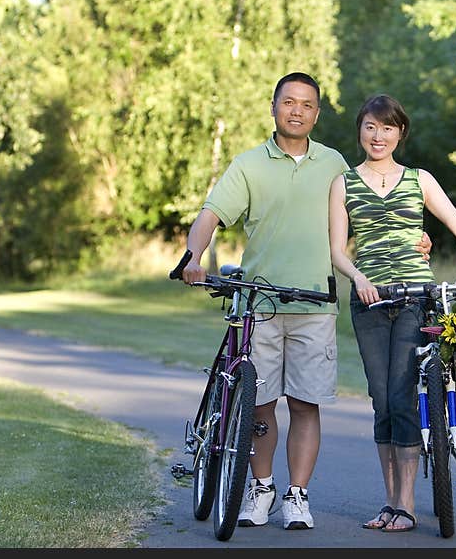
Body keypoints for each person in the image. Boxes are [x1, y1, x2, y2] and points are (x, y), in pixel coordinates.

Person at [180, 74, 430, 531]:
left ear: (317, 113)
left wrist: (416, 237)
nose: (297, 110)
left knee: (304, 403)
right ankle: (260, 487)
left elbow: (373, 206)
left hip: (316, 304)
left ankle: (297, 495)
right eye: (289, 102)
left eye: (307, 104)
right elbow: (210, 215)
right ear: (273, 107)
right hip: (260, 304)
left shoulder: (334, 164)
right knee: (258, 404)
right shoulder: (250, 164)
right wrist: (194, 256)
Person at [329, 93, 456, 533]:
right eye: (370, 127)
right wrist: (359, 278)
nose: (378, 136)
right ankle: (388, 502)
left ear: (400, 133)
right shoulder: (343, 183)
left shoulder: (419, 179)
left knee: (404, 397)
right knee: (381, 400)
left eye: (387, 128)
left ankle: (405, 505)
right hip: (369, 300)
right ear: (360, 131)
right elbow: (336, 249)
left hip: (414, 296)